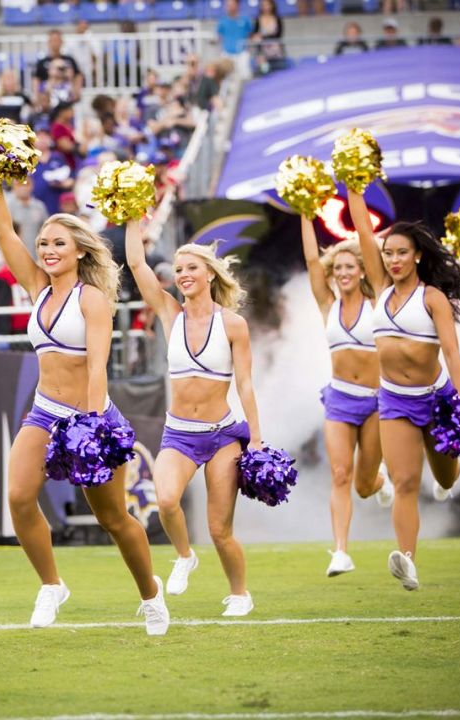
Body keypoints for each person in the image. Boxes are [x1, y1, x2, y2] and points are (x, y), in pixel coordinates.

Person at [0, 191, 169, 635]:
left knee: (113, 520)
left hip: (92, 418)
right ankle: (52, 585)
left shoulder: (93, 300)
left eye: (58, 244)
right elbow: (5, 231)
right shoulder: (37, 287)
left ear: (80, 250)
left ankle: (150, 594)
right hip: (44, 412)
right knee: (18, 496)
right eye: (44, 243)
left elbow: (96, 368)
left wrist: (89, 428)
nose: (47, 250)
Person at [124, 225, 262, 616]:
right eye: (179, 269)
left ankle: (240, 594)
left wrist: (258, 438)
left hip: (222, 436)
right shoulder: (170, 313)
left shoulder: (233, 325)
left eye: (191, 268)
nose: (183, 275)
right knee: (166, 501)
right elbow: (136, 263)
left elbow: (246, 385)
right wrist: (134, 221)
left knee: (220, 530)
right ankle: (184, 556)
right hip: (179, 434)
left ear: (210, 275)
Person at [351, 189, 460, 591]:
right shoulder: (380, 285)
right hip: (393, 399)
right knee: (404, 482)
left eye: (401, 253)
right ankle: (408, 560)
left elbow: (453, 354)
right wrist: (355, 183)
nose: (393, 260)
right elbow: (362, 227)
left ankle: (446, 476)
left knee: (446, 475)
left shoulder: (432, 298)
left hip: (436, 398)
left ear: (418, 255)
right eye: (388, 253)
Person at [300, 219, 395, 577]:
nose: (342, 273)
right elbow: (312, 261)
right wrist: (305, 213)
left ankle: (380, 481)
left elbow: (372, 253)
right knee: (340, 474)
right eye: (337, 268)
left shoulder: (378, 302)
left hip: (376, 401)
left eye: (348, 267)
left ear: (361, 271)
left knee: (363, 485)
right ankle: (340, 552)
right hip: (340, 398)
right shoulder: (328, 305)